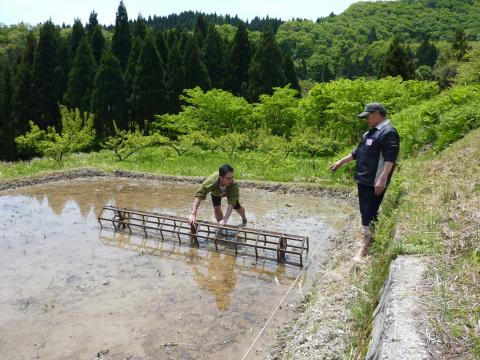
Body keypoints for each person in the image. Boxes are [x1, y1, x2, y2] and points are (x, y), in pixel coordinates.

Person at [330, 102, 400, 262]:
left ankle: (365, 246)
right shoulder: (370, 133)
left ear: (376, 114)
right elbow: (357, 152)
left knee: (370, 213)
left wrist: (382, 179)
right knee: (365, 212)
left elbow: (390, 158)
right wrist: (341, 161)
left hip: (374, 182)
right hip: (364, 179)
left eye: (367, 116)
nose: (366, 119)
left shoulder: (388, 132)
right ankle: (367, 238)